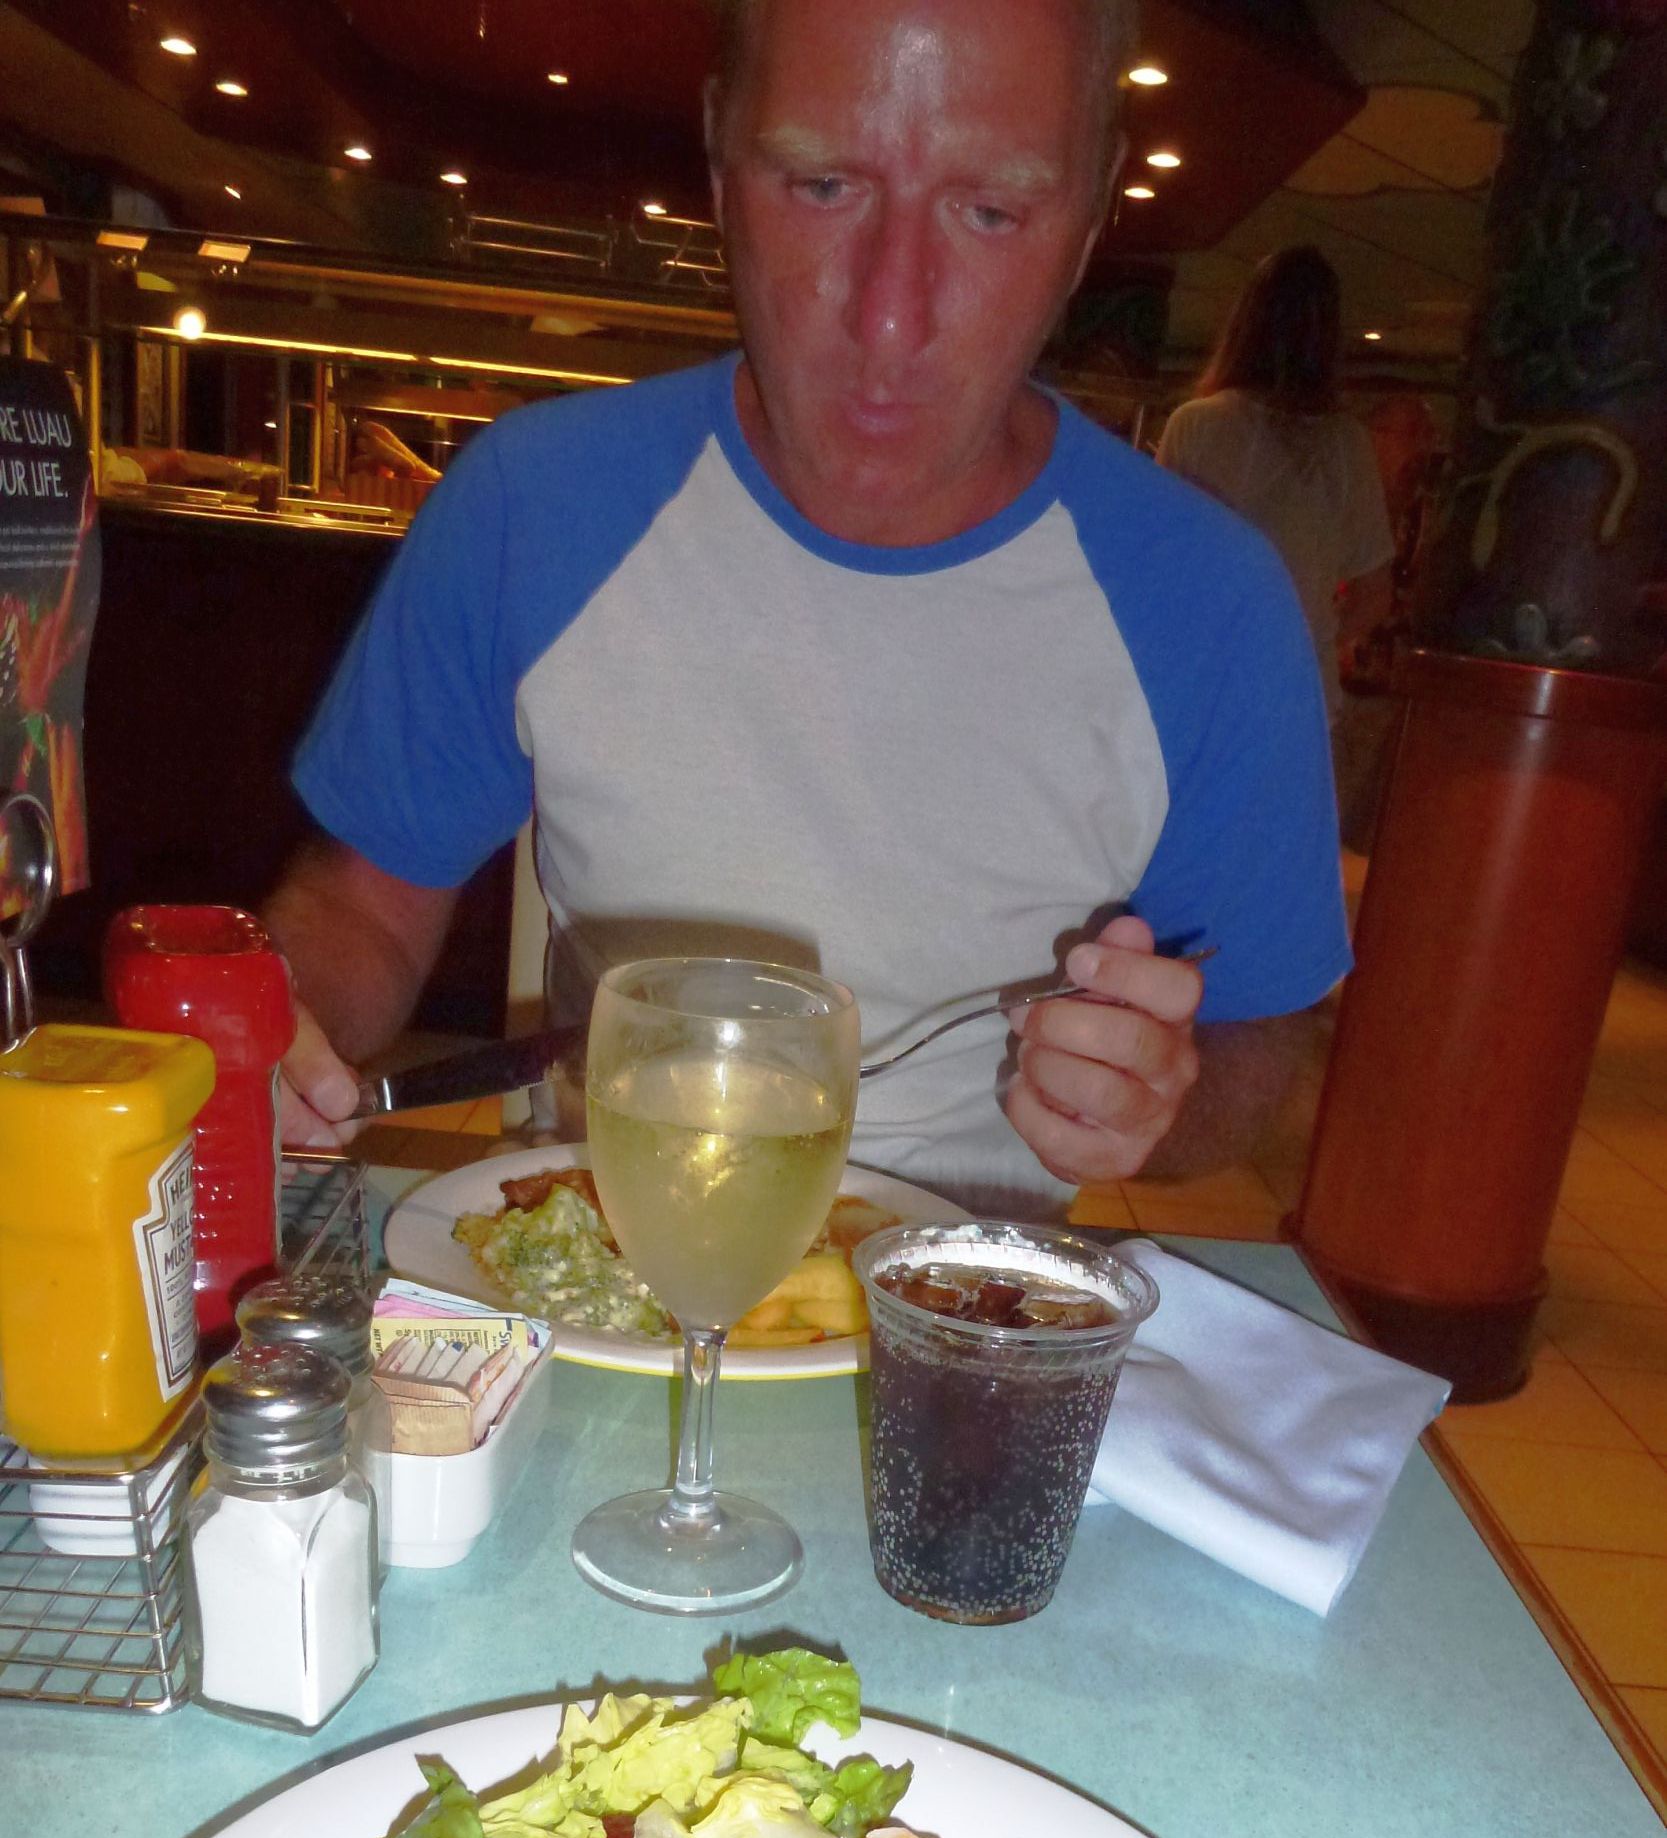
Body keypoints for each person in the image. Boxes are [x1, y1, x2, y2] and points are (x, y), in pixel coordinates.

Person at [270, 0, 1349, 1213]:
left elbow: (1257, 1039)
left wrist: (1156, 1090)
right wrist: (277, 1022)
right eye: (823, 185)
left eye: (990, 211)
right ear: (720, 161)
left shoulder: (1211, 604)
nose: (889, 315)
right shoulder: (533, 502)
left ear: (1092, 213)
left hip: (964, 1300)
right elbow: (363, 904)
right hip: (606, 1257)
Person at [1156, 248, 1395, 730]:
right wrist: (1311, 640)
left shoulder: (1197, 425)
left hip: (1205, 681)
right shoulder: (1346, 444)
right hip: (1299, 694)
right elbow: (1374, 595)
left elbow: (1159, 566)